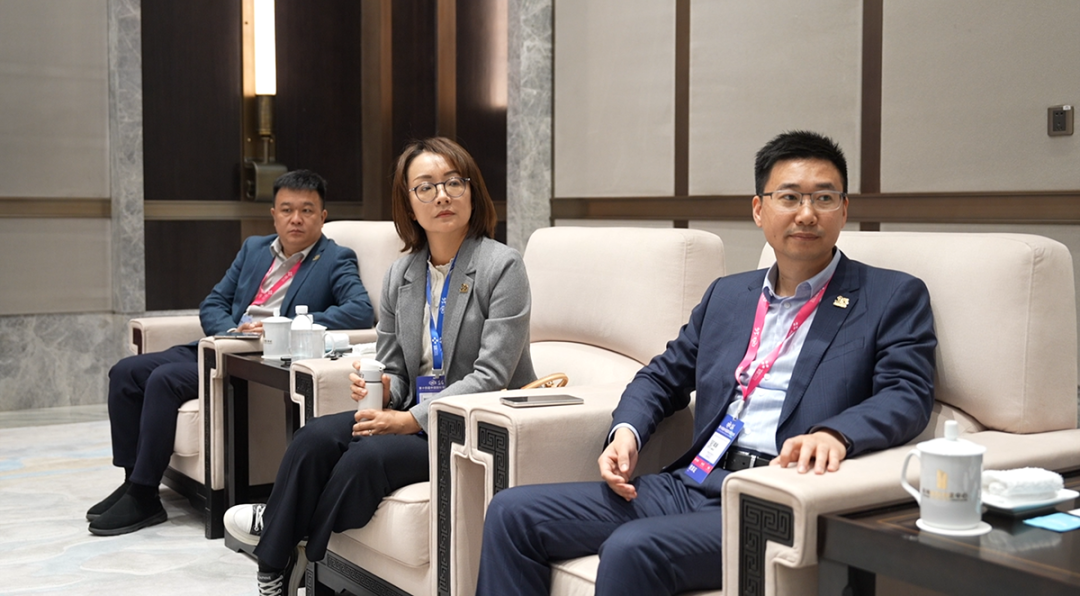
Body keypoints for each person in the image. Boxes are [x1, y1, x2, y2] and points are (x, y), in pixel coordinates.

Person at [475, 131, 937, 596]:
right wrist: (626, 433)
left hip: (777, 493)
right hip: (695, 479)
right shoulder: (729, 295)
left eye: (824, 197)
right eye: (789, 197)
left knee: (632, 548)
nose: (806, 213)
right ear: (759, 209)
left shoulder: (889, 295)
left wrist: (835, 434)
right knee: (513, 514)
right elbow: (662, 377)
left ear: (844, 209)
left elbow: (907, 393)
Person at [223, 137, 537, 596]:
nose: (442, 196)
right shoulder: (401, 274)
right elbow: (394, 365)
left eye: (453, 182)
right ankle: (277, 556)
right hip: (412, 410)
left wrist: (409, 420)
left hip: (471, 426)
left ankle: (279, 542)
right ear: (408, 204)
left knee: (366, 458)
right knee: (314, 438)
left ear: (473, 192)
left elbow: (491, 376)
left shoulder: (502, 266)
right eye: (425, 187)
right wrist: (386, 386)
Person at [88, 170, 374, 536]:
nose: (296, 219)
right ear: (274, 214)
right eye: (287, 210)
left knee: (164, 380)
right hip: (220, 345)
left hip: (254, 359)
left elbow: (359, 311)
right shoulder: (254, 249)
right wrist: (229, 331)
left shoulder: (334, 258)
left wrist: (283, 325)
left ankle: (144, 495)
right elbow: (214, 302)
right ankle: (134, 483)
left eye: (307, 210)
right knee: (125, 373)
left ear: (323, 216)